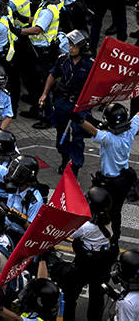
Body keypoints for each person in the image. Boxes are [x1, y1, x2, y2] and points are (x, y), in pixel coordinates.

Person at [75, 103, 139, 244]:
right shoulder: (130, 131)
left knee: (98, 208)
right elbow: (138, 117)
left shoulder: (108, 139)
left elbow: (93, 131)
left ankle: (98, 237)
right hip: (123, 179)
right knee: (116, 212)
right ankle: (115, 238)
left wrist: (78, 119)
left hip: (108, 183)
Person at [38, 30, 93, 173]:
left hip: (79, 105)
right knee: (61, 133)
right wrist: (45, 93)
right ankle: (64, 158)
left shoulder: (90, 64)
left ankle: (75, 165)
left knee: (78, 135)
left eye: (74, 46)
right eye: (69, 45)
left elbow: (97, 84)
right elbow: (52, 75)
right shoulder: (62, 59)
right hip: (63, 102)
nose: (70, 48)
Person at [62, 187, 117, 321]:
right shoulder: (108, 220)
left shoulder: (86, 227)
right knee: (96, 298)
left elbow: (70, 233)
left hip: (84, 264)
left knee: (70, 296)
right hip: (101, 265)